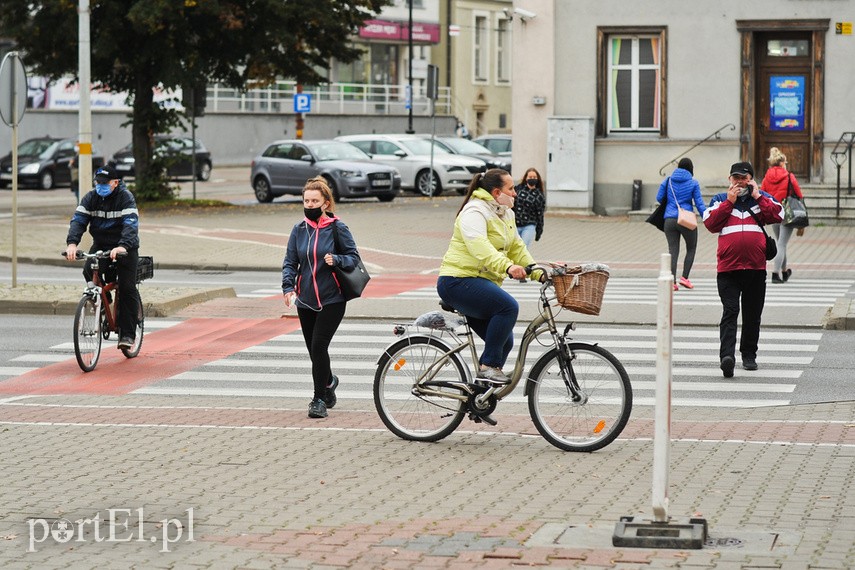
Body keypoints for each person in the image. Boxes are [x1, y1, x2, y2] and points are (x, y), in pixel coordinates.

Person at [437, 168, 542, 388]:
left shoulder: (506, 213)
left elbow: (516, 248)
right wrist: (507, 267)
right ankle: (487, 369)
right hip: (456, 280)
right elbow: (480, 247)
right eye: (511, 189)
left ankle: (479, 397)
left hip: (478, 281)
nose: (515, 193)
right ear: (496, 192)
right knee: (508, 307)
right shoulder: (475, 211)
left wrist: (537, 271)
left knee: (505, 342)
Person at [281, 177, 360, 419]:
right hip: (305, 300)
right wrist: (287, 287)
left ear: (325, 203)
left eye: (315, 201)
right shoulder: (299, 230)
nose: (310, 204)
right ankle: (329, 382)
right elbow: (290, 262)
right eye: (306, 200)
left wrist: (336, 260)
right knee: (313, 351)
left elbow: (353, 257)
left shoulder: (337, 228)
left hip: (332, 298)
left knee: (318, 346)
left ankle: (318, 400)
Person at [703, 161, 782, 378]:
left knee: (752, 314)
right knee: (730, 312)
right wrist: (729, 202)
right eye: (736, 177)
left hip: (756, 269)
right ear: (729, 179)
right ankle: (726, 357)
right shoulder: (720, 200)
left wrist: (758, 196)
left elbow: (778, 215)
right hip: (728, 269)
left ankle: (749, 355)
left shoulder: (761, 197)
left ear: (751, 179)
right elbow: (710, 223)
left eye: (744, 178)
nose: (740, 181)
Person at [64, 166, 140, 349]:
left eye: (105, 183)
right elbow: (79, 220)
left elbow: (130, 224)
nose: (101, 186)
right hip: (101, 245)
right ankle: (104, 302)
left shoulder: (125, 197)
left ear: (115, 183)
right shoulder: (91, 198)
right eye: (98, 183)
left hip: (125, 247)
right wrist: (72, 244)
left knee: (127, 287)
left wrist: (122, 246)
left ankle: (128, 335)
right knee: (88, 271)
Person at [655, 157, 706, 291]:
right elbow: (699, 203)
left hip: (669, 220)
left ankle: (672, 282)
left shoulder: (668, 180)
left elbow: (659, 198)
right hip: (686, 220)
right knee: (691, 248)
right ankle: (685, 278)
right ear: (691, 169)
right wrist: (707, 216)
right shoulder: (693, 183)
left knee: (673, 250)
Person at [760, 147, 803, 284]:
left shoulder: (767, 177)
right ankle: (775, 274)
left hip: (773, 212)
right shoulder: (789, 176)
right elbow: (799, 195)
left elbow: (762, 195)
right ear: (782, 162)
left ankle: (784, 272)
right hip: (787, 212)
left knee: (780, 243)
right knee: (782, 244)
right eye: (786, 162)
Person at [513, 168, 546, 248]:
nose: (532, 179)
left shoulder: (539, 195)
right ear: (526, 178)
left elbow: (540, 215)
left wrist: (539, 231)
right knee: (514, 248)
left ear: (537, 179)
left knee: (523, 247)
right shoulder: (518, 189)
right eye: (530, 177)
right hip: (515, 224)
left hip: (529, 225)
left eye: (534, 178)